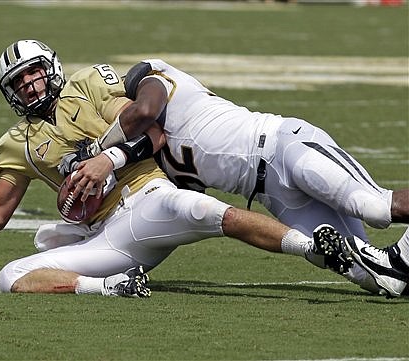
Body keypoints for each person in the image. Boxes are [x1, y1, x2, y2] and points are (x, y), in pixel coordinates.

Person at [0, 40, 348, 297]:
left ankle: (316, 247)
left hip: (150, 195)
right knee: (10, 276)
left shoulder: (88, 83)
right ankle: (112, 288)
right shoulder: (17, 143)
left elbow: (152, 131)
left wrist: (107, 157)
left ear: (49, 67)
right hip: (107, 233)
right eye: (19, 82)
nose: (30, 85)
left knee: (206, 211)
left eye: (33, 73)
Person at [68, 59, 409, 298]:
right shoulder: (151, 149)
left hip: (282, 144)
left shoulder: (151, 78)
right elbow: (178, 208)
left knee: (375, 207)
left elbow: (144, 111)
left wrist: (102, 150)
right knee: (374, 276)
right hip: (271, 194)